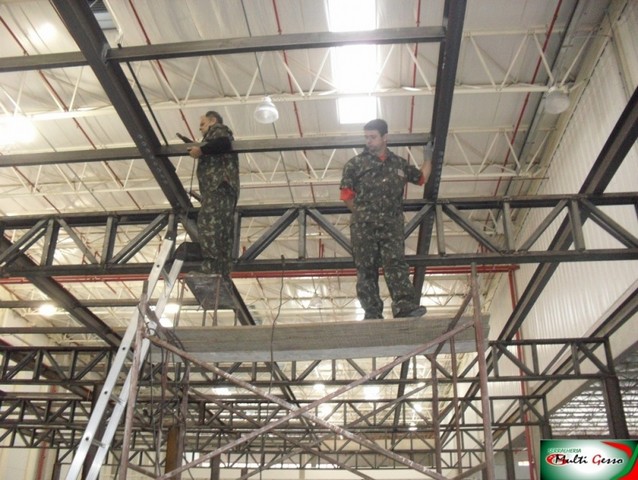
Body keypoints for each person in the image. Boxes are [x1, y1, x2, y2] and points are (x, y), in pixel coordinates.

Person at [340, 119, 432, 320]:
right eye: (366, 137)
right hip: (364, 226)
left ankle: (404, 306)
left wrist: (428, 159)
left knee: (396, 263)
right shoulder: (355, 165)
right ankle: (372, 312)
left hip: (391, 225)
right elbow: (346, 195)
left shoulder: (399, 164)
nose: (368, 142)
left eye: (372, 137)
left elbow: (421, 179)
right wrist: (362, 214)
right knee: (366, 267)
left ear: (385, 138)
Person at [187, 111, 239, 277]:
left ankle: (211, 268)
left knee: (208, 223)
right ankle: (222, 271)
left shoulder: (218, 130)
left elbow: (223, 143)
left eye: (202, 124)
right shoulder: (214, 137)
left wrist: (201, 151)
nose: (201, 129)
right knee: (222, 230)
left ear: (213, 121)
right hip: (223, 188)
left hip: (218, 186)